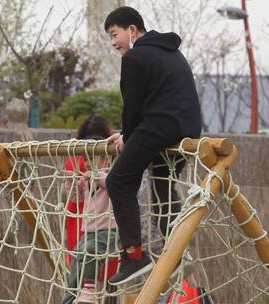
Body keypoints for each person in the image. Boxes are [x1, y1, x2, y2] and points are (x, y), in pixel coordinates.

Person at [103, 6, 202, 285]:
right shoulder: (170, 52)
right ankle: (175, 252)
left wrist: (127, 136)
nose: (113, 43)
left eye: (115, 34)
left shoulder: (135, 58)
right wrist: (130, 133)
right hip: (186, 127)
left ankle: (134, 256)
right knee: (161, 185)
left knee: (119, 182)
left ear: (132, 30)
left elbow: (132, 108)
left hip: (160, 125)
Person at [63, 140, 118, 304]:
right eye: (85, 160)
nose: (87, 163)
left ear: (106, 161)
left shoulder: (112, 177)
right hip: (88, 232)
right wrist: (70, 181)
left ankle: (90, 289)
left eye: (92, 159)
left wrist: (95, 175)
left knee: (90, 251)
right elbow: (75, 197)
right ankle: (70, 297)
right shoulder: (86, 181)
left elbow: (111, 184)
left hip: (109, 232)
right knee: (77, 260)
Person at [64, 116, 114, 266]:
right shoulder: (106, 160)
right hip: (103, 221)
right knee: (101, 266)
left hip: (79, 219)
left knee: (81, 263)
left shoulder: (74, 158)